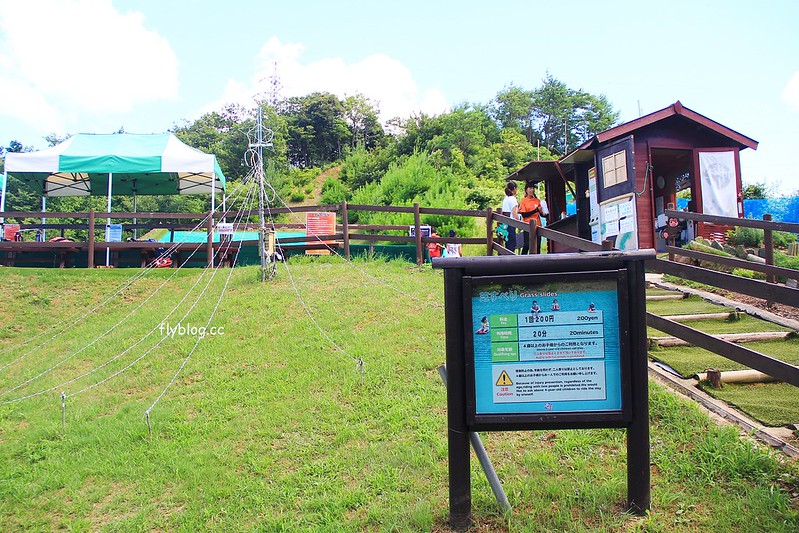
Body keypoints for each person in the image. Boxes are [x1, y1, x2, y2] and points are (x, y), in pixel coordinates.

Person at [518, 181, 548, 254]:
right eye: (530, 188)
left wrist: (546, 213)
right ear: (526, 190)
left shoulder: (537, 201)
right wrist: (536, 210)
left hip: (538, 226)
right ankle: (522, 262)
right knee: (527, 246)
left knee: (537, 246)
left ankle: (537, 263)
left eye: (533, 188)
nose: (532, 190)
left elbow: (541, 214)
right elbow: (524, 214)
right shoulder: (523, 202)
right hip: (527, 226)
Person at [502, 180, 520, 252]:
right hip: (511, 223)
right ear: (515, 188)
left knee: (508, 242)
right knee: (512, 243)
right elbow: (514, 212)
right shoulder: (513, 199)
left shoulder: (506, 199)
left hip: (505, 223)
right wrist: (518, 221)